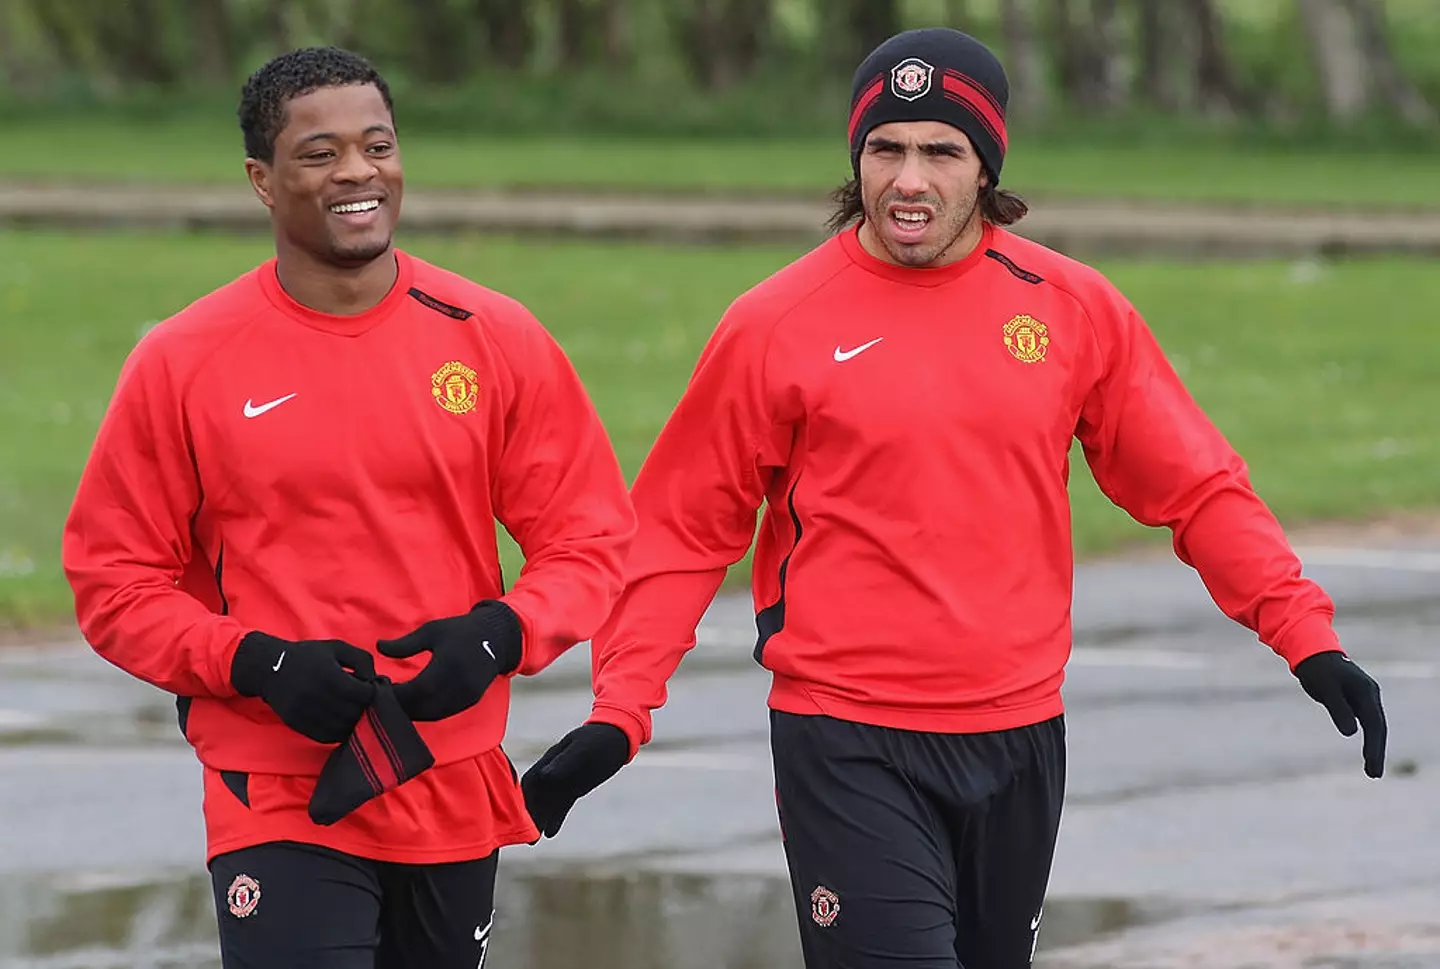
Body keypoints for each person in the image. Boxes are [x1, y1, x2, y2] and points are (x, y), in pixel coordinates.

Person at [518, 26, 1389, 969]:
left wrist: (1308, 638)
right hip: (847, 736)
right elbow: (683, 533)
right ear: (857, 161)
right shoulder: (775, 325)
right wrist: (622, 707)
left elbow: (1198, 489)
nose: (909, 179)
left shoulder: (1072, 308)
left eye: (941, 151)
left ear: (986, 168)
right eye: (886, 149)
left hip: (1020, 735)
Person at [61, 46, 635, 969]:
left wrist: (502, 632)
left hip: (447, 773)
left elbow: (590, 536)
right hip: (276, 782)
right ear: (262, 179)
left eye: (377, 145)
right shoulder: (183, 360)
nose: (358, 171)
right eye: (320, 153)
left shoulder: (493, 337)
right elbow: (113, 580)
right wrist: (255, 660)